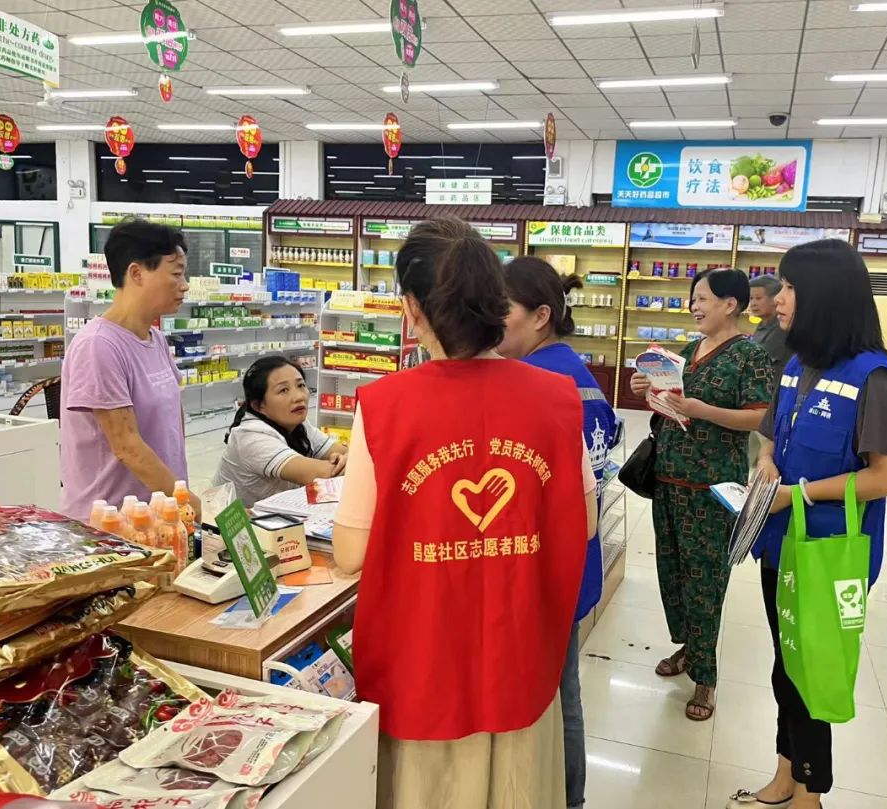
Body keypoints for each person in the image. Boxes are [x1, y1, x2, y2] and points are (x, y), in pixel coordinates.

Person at [331, 218, 599, 809]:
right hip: (521, 651)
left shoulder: (384, 405)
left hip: (424, 656)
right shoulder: (556, 398)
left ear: (412, 309)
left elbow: (350, 554)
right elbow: (583, 524)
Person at [729, 239, 887, 809]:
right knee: (786, 667)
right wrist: (766, 463)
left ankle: (811, 794)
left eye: (789, 288)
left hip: (828, 554)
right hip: (779, 542)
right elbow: (770, 436)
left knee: (810, 673)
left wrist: (798, 493)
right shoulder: (797, 365)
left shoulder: (874, 379)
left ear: (824, 296)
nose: (777, 299)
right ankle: (786, 775)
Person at [498, 256, 618, 809]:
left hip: (545, 563)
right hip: (576, 558)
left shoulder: (537, 382)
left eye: (502, 309)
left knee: (559, 693)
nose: (490, 321)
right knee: (564, 687)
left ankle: (568, 798)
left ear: (540, 315)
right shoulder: (579, 372)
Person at [630, 268, 774, 721]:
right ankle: (689, 648)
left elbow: (760, 418)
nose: (694, 306)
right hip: (668, 479)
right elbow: (670, 403)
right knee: (672, 572)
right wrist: (646, 389)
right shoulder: (688, 352)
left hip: (712, 487)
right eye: (693, 299)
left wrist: (701, 409)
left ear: (730, 305)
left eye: (703, 299)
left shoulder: (749, 356)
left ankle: (706, 678)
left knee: (706, 581)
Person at [60, 217, 199, 522]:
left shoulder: (156, 339)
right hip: (110, 525)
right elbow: (127, 447)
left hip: (159, 515)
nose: (184, 285)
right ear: (136, 273)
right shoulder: (98, 345)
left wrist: (180, 500)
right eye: (176, 274)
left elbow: (171, 426)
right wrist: (198, 508)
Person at [213, 355, 347, 507]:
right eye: (283, 390)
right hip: (234, 520)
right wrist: (347, 460)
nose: (298, 397)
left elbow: (347, 454)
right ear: (258, 406)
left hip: (277, 513)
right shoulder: (251, 437)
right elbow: (324, 474)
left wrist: (347, 458)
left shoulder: (298, 424)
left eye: (301, 385)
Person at [749, 274, 793, 378]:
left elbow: (759, 361)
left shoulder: (782, 328)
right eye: (751, 298)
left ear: (775, 298)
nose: (753, 303)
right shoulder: (762, 326)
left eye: (758, 298)